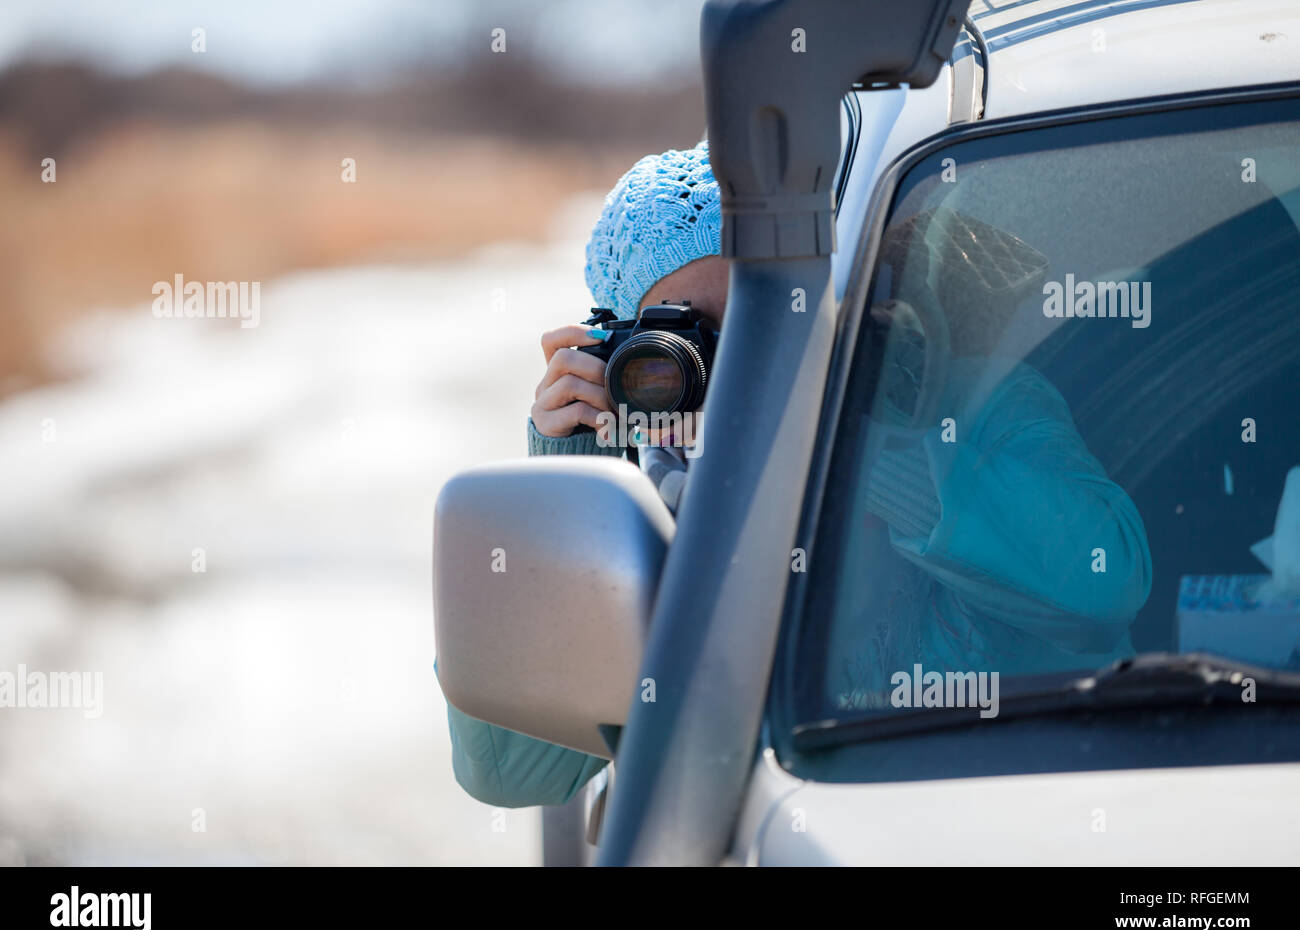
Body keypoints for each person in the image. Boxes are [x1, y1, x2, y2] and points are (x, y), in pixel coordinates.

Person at [438, 142, 1152, 807]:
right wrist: (575, 472)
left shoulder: (980, 404)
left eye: (757, 321)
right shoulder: (634, 494)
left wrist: (838, 437)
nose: (733, 363)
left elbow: (1103, 586)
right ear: (626, 348)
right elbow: (511, 773)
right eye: (690, 333)